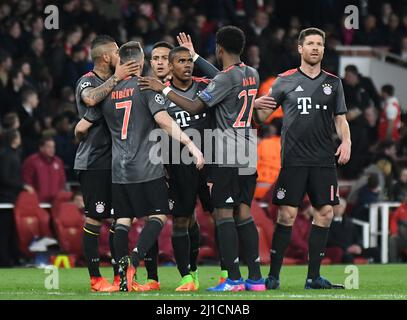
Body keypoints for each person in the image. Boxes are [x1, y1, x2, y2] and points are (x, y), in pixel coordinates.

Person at [139, 26, 269, 292]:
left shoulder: (215, 82)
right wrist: (197, 58)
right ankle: (255, 278)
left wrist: (162, 90)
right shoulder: (251, 73)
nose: (187, 65)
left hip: (224, 153)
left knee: (222, 215)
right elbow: (224, 77)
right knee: (243, 213)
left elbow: (198, 105)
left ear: (220, 49)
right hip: (247, 150)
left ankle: (232, 278)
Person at [76, 41, 204, 292]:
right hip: (146, 166)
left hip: (118, 169)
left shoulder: (107, 92)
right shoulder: (146, 86)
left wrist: (81, 142)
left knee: (123, 220)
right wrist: (191, 144)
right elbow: (164, 121)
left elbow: (81, 127)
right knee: (157, 215)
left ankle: (121, 273)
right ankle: (134, 262)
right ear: (140, 62)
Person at [255, 27, 351, 289]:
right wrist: (254, 107)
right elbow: (262, 118)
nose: (315, 48)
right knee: (286, 215)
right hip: (294, 160)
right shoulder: (284, 80)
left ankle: (313, 277)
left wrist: (347, 141)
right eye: (310, 43)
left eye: (319, 44)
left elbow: (340, 119)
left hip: (323, 160)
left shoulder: (334, 83)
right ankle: (273, 276)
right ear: (300, 48)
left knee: (326, 213)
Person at [73, 34, 138, 292]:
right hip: (94, 162)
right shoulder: (87, 81)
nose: (120, 56)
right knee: (94, 219)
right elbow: (90, 99)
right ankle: (95, 279)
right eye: (116, 52)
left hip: (117, 162)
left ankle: (119, 277)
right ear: (104, 57)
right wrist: (116, 77)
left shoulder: (119, 84)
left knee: (119, 219)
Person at [156, 46, 214, 291]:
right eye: (181, 61)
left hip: (210, 161)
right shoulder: (159, 94)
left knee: (220, 216)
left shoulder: (206, 85)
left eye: (189, 61)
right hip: (178, 163)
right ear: (170, 67)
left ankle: (226, 275)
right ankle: (187, 276)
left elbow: (228, 77)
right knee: (183, 219)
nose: (187, 65)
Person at [0, 129, 34, 266]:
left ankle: (11, 258)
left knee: (11, 232)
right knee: (4, 232)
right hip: (4, 200)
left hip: (11, 200)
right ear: (14, 139)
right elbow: (4, 178)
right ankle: (4, 260)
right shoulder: (6, 155)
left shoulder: (13, 154)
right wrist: (22, 186)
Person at [22, 136, 66, 203]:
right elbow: (27, 180)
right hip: (37, 202)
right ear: (41, 148)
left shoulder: (58, 162)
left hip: (55, 203)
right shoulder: (32, 161)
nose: (52, 149)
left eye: (53, 147)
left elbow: (62, 180)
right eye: (48, 147)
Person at [389, 191, 407, 262]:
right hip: (403, 238)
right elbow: (393, 220)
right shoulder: (401, 208)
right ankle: (393, 265)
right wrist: (394, 232)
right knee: (392, 240)